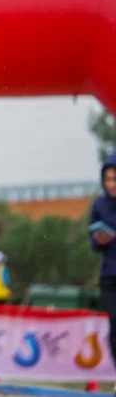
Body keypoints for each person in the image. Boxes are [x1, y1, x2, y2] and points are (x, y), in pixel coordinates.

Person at [90, 153, 116, 382]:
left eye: (115, 179)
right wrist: (98, 240)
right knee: (115, 324)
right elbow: (93, 244)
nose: (112, 184)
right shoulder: (99, 205)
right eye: (108, 179)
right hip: (110, 275)